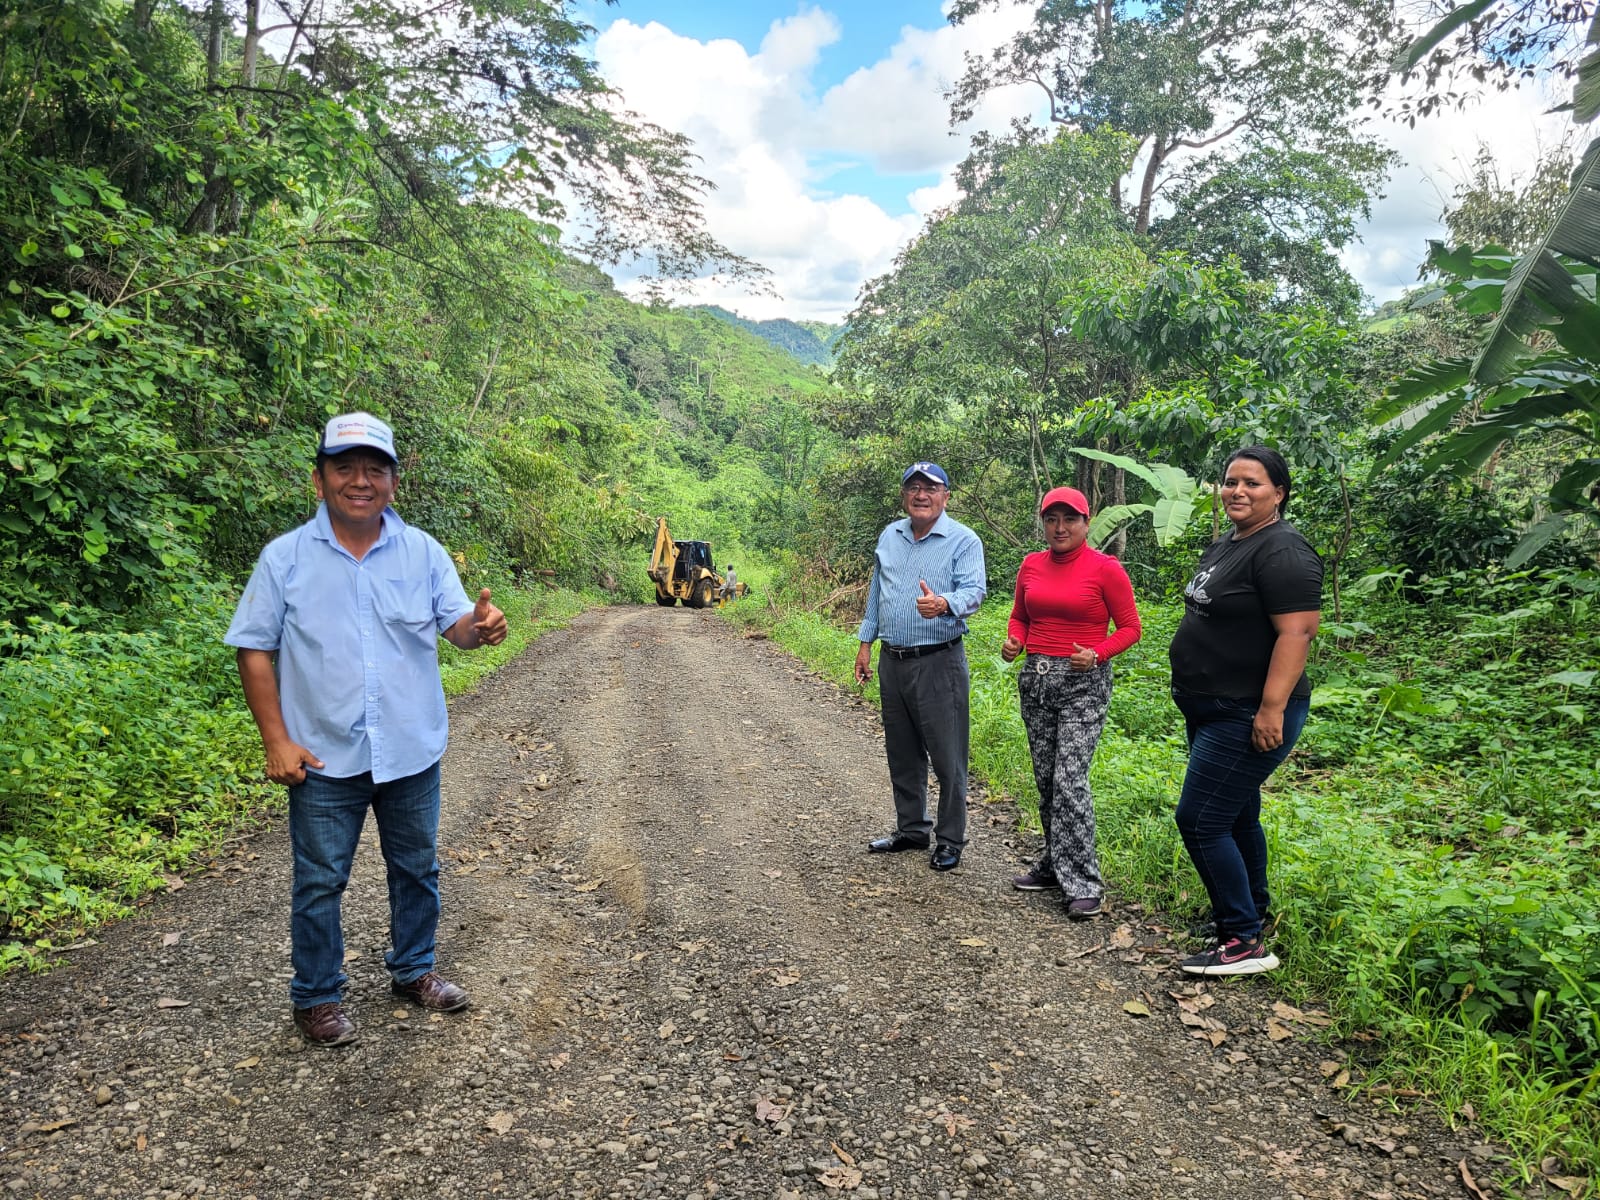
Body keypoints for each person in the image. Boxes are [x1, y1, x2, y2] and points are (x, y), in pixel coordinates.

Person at [224, 412, 508, 1047]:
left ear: (393, 482)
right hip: (324, 757)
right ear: (319, 479)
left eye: (374, 469)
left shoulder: (423, 552)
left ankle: (413, 970)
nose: (360, 480)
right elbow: (254, 648)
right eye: (345, 467)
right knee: (320, 881)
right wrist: (276, 740)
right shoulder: (284, 559)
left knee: (417, 868)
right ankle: (316, 997)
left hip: (410, 750)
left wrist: (482, 627)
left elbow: (458, 627)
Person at [1168, 445, 1321, 976]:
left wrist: (1271, 708)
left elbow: (1297, 632)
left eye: (1252, 483)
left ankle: (1243, 941)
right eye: (1231, 481)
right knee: (1235, 815)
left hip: (1247, 711)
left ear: (1278, 493)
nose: (1237, 491)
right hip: (1212, 707)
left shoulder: (1283, 551)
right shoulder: (1230, 543)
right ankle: (1250, 914)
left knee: (1200, 819)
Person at [1000, 487, 1141, 919]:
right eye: (1051, 519)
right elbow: (1020, 616)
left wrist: (1098, 653)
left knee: (1069, 779)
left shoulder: (1105, 569)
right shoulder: (1031, 565)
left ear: (1086, 521)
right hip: (1037, 679)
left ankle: (1083, 882)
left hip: (1084, 681)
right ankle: (1053, 863)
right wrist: (1015, 641)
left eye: (1069, 519)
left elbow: (1131, 628)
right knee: (1046, 779)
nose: (1059, 528)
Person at [855, 462, 987, 871]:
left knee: (948, 757)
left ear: (946, 495)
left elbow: (975, 590)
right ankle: (912, 829)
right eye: (913, 487)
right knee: (902, 751)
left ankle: (950, 839)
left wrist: (944, 603)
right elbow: (877, 591)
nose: (921, 495)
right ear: (904, 495)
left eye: (931, 488)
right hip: (892, 660)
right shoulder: (890, 535)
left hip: (939, 661)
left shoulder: (963, 540)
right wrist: (865, 643)